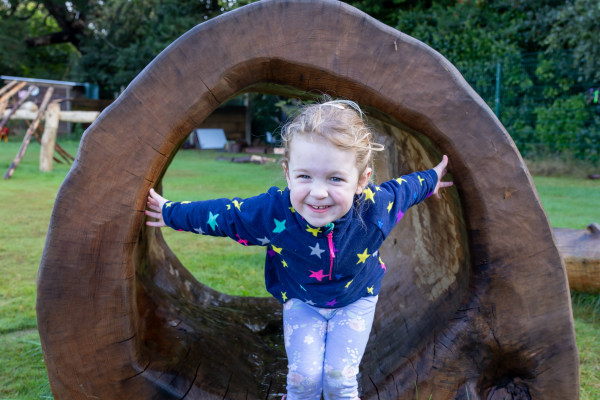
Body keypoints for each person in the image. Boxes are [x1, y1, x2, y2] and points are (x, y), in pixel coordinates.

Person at [145, 99, 453, 400]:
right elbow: (227, 216)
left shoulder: (375, 207)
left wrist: (434, 178)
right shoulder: (275, 212)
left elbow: (408, 188)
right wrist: (171, 212)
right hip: (302, 301)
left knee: (340, 380)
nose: (318, 193)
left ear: (361, 181)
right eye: (305, 176)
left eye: (335, 178)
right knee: (303, 380)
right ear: (288, 172)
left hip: (356, 299)